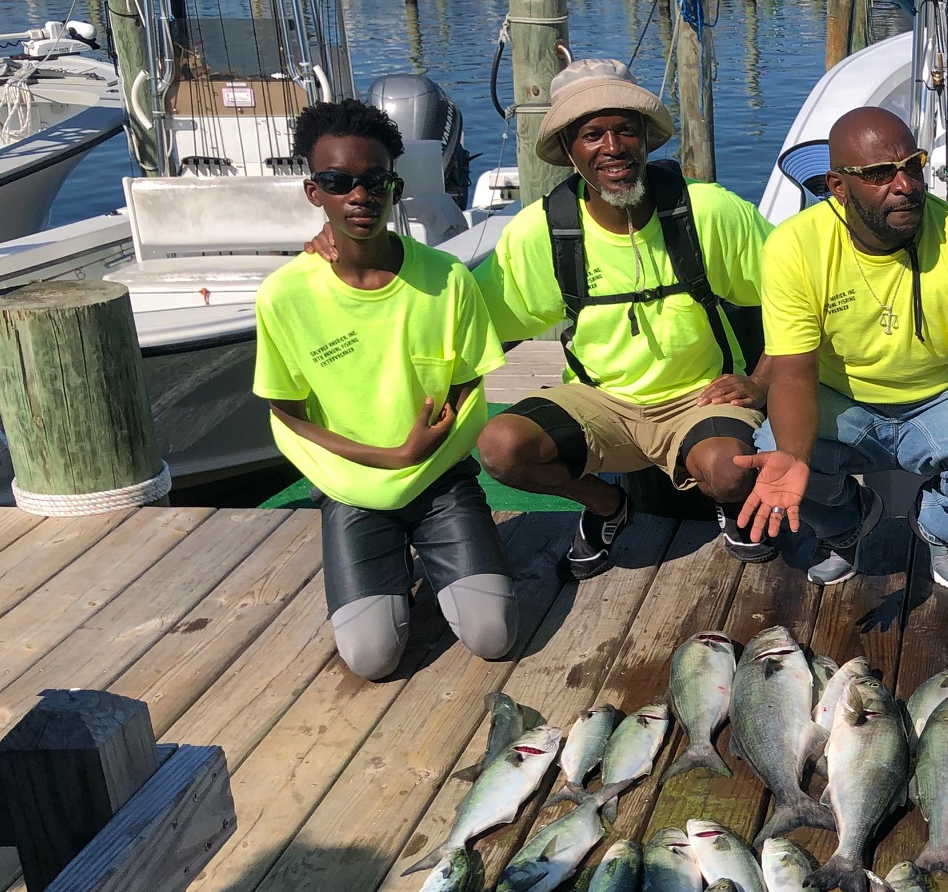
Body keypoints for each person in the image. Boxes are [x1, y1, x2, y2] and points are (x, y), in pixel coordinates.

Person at [473, 59, 774, 579]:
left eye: (625, 131)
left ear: (646, 140)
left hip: (699, 397)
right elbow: (467, 321)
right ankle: (606, 505)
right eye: (592, 134)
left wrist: (760, 381)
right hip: (598, 401)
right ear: (569, 149)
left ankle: (728, 503)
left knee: (728, 471)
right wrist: (371, 262)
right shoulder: (538, 232)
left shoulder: (709, 212)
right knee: (501, 448)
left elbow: (800, 297)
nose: (613, 148)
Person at [254, 99, 515, 681]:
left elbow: (470, 385)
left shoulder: (447, 277)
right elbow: (287, 413)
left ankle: (427, 550)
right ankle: (383, 558)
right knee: (372, 659)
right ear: (313, 192)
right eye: (337, 181)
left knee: (494, 636)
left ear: (394, 187)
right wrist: (387, 458)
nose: (358, 195)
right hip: (351, 489)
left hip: (440, 478)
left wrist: (422, 459)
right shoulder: (284, 295)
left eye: (374, 180)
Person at [735, 108, 948, 589]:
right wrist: (793, 453)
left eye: (912, 166)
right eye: (878, 174)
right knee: (777, 455)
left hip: (943, 393)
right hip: (844, 396)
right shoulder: (794, 246)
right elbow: (792, 375)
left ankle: (938, 528)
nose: (905, 185)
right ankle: (845, 525)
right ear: (838, 185)